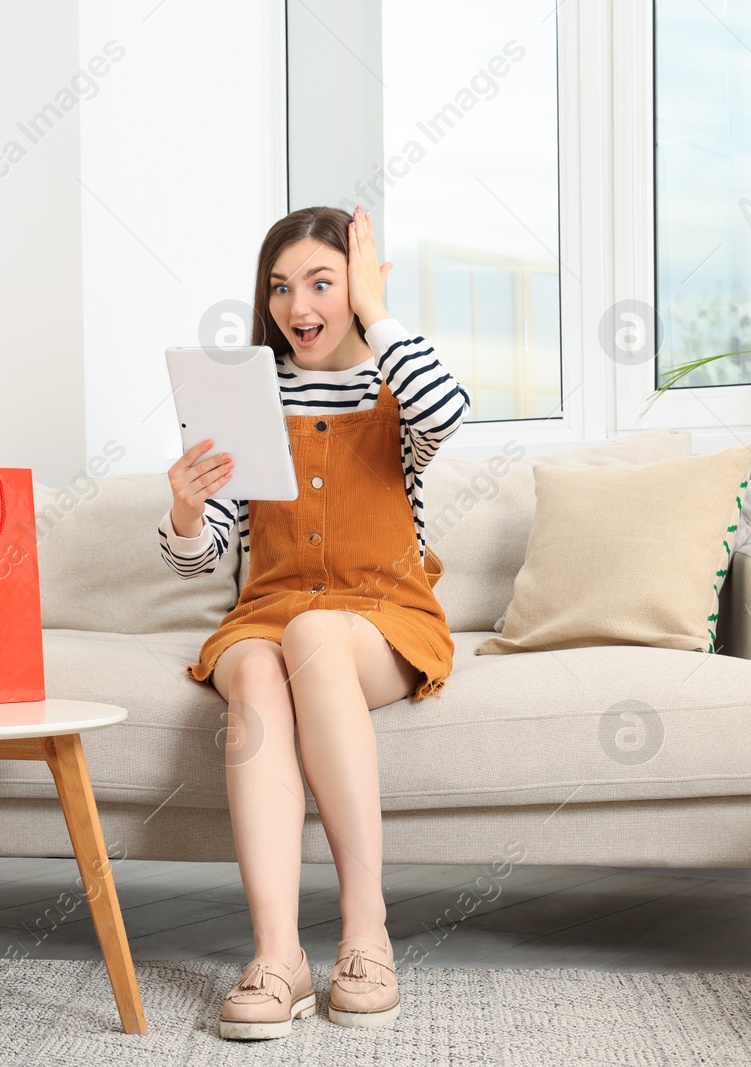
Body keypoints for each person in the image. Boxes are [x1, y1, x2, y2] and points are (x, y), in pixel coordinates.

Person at [159, 204, 468, 1038]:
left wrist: (378, 309)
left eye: (322, 284)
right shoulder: (244, 395)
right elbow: (205, 553)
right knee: (266, 659)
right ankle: (279, 955)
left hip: (381, 612)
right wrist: (186, 514)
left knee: (315, 633)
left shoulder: (394, 386)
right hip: (271, 608)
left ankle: (366, 931)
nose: (299, 305)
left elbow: (449, 412)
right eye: (282, 287)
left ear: (357, 290)